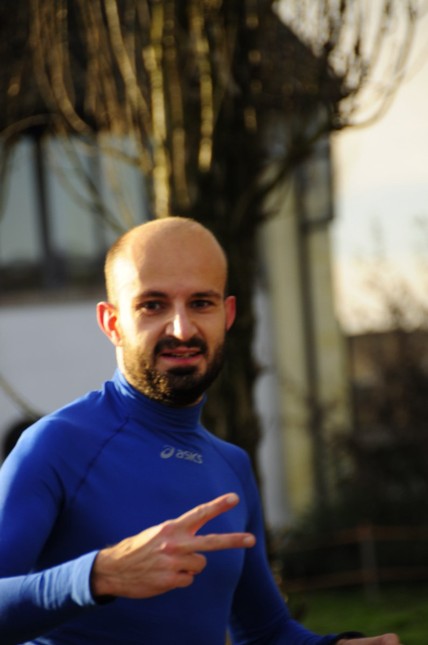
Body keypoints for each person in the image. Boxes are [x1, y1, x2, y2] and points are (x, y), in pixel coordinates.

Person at [0, 217, 401, 645]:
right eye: (152, 305)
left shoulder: (231, 466)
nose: (182, 329)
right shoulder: (57, 444)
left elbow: (265, 632)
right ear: (112, 323)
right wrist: (99, 575)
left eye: (201, 303)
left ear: (227, 315)